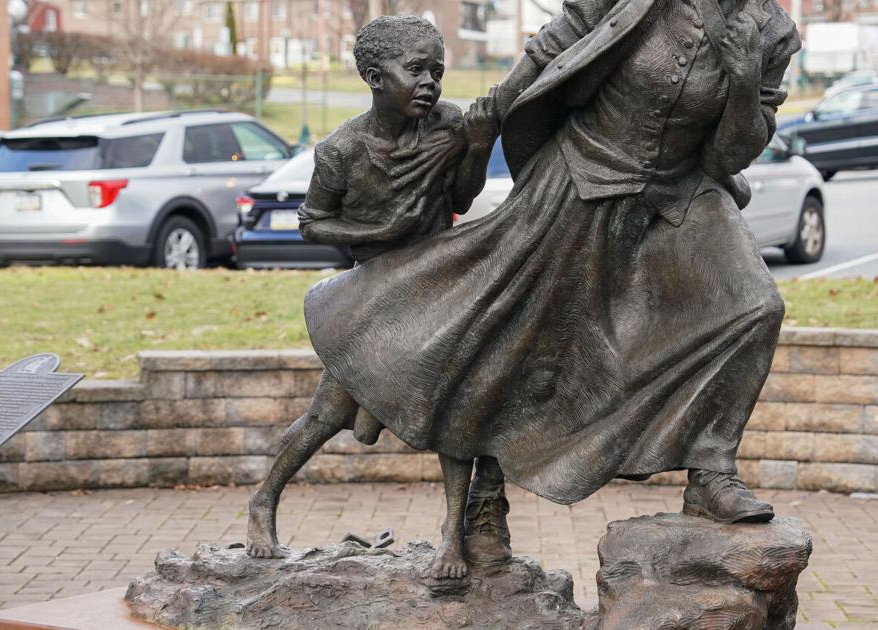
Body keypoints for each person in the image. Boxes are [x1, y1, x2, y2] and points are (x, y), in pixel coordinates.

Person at [296, 0, 799, 567]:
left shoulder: (772, 31)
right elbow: (547, 49)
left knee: (754, 308)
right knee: (523, 335)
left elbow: (732, 152)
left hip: (680, 190)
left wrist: (743, 77)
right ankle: (485, 497)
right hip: (579, 173)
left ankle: (711, 469)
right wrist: (480, 129)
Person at [246, 15, 500, 584]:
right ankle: (264, 501)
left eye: (437, 70)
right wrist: (382, 230)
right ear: (372, 75)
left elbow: (461, 193)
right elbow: (312, 223)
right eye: (416, 70)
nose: (431, 83)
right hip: (374, 299)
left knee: (455, 413)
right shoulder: (341, 150)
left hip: (438, 288)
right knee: (328, 416)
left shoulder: (448, 127)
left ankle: (451, 533)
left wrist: (478, 148)